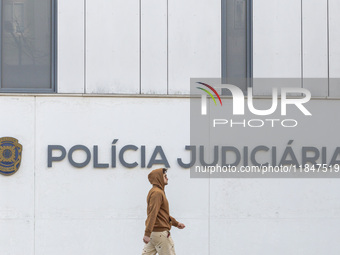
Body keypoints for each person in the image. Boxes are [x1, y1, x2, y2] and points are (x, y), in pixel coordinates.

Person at [142, 168, 185, 255]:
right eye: (165, 176)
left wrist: (176, 223)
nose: (167, 178)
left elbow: (162, 214)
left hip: (154, 234)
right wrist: (147, 233)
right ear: (158, 178)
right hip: (160, 234)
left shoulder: (156, 192)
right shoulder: (157, 193)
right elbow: (153, 213)